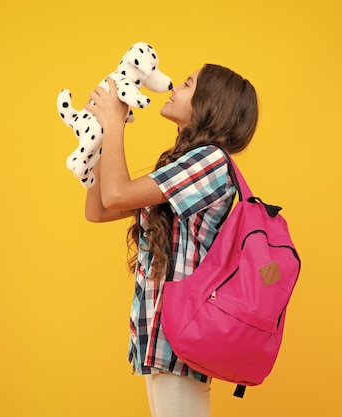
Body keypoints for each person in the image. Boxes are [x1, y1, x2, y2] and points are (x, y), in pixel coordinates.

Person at [83, 63, 259, 417]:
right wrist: (100, 136)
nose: (174, 87)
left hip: (180, 341)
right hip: (163, 342)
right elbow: (100, 209)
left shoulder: (209, 161)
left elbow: (116, 195)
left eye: (188, 83)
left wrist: (116, 122)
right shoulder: (185, 166)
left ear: (210, 103)